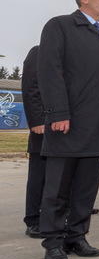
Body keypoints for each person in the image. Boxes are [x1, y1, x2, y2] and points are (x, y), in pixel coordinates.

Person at [37, 0, 99, 259]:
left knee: (86, 188)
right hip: (69, 123)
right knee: (58, 189)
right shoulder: (60, 26)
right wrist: (58, 112)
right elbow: (49, 71)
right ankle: (53, 241)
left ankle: (76, 236)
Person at [22, 45, 46, 238]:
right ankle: (33, 219)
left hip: (66, 126)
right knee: (39, 174)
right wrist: (36, 120)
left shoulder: (65, 55)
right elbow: (30, 88)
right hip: (43, 125)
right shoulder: (39, 52)